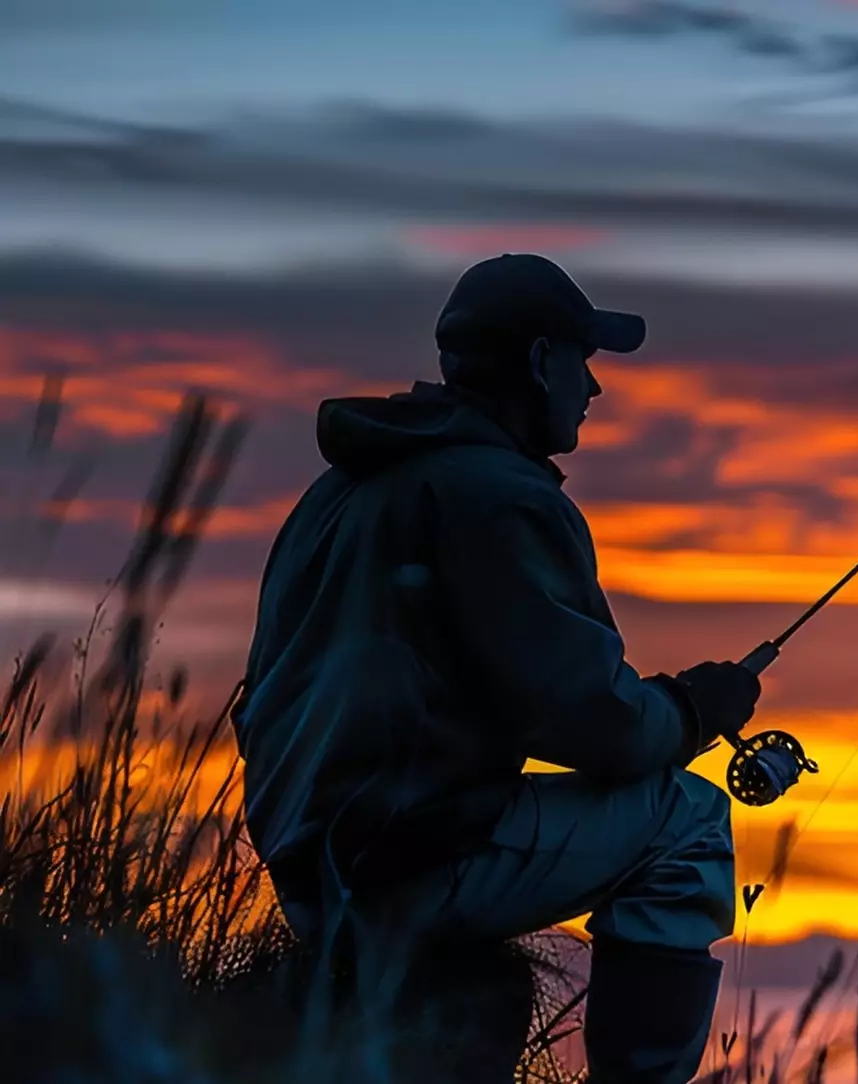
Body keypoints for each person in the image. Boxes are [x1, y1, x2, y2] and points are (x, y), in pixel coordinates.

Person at [232, 253, 763, 1083]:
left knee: (486, 974)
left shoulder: (337, 493)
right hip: (400, 861)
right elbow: (595, 723)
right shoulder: (500, 498)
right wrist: (696, 710)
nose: (593, 389)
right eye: (583, 362)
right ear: (541, 361)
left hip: (311, 856)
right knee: (687, 822)